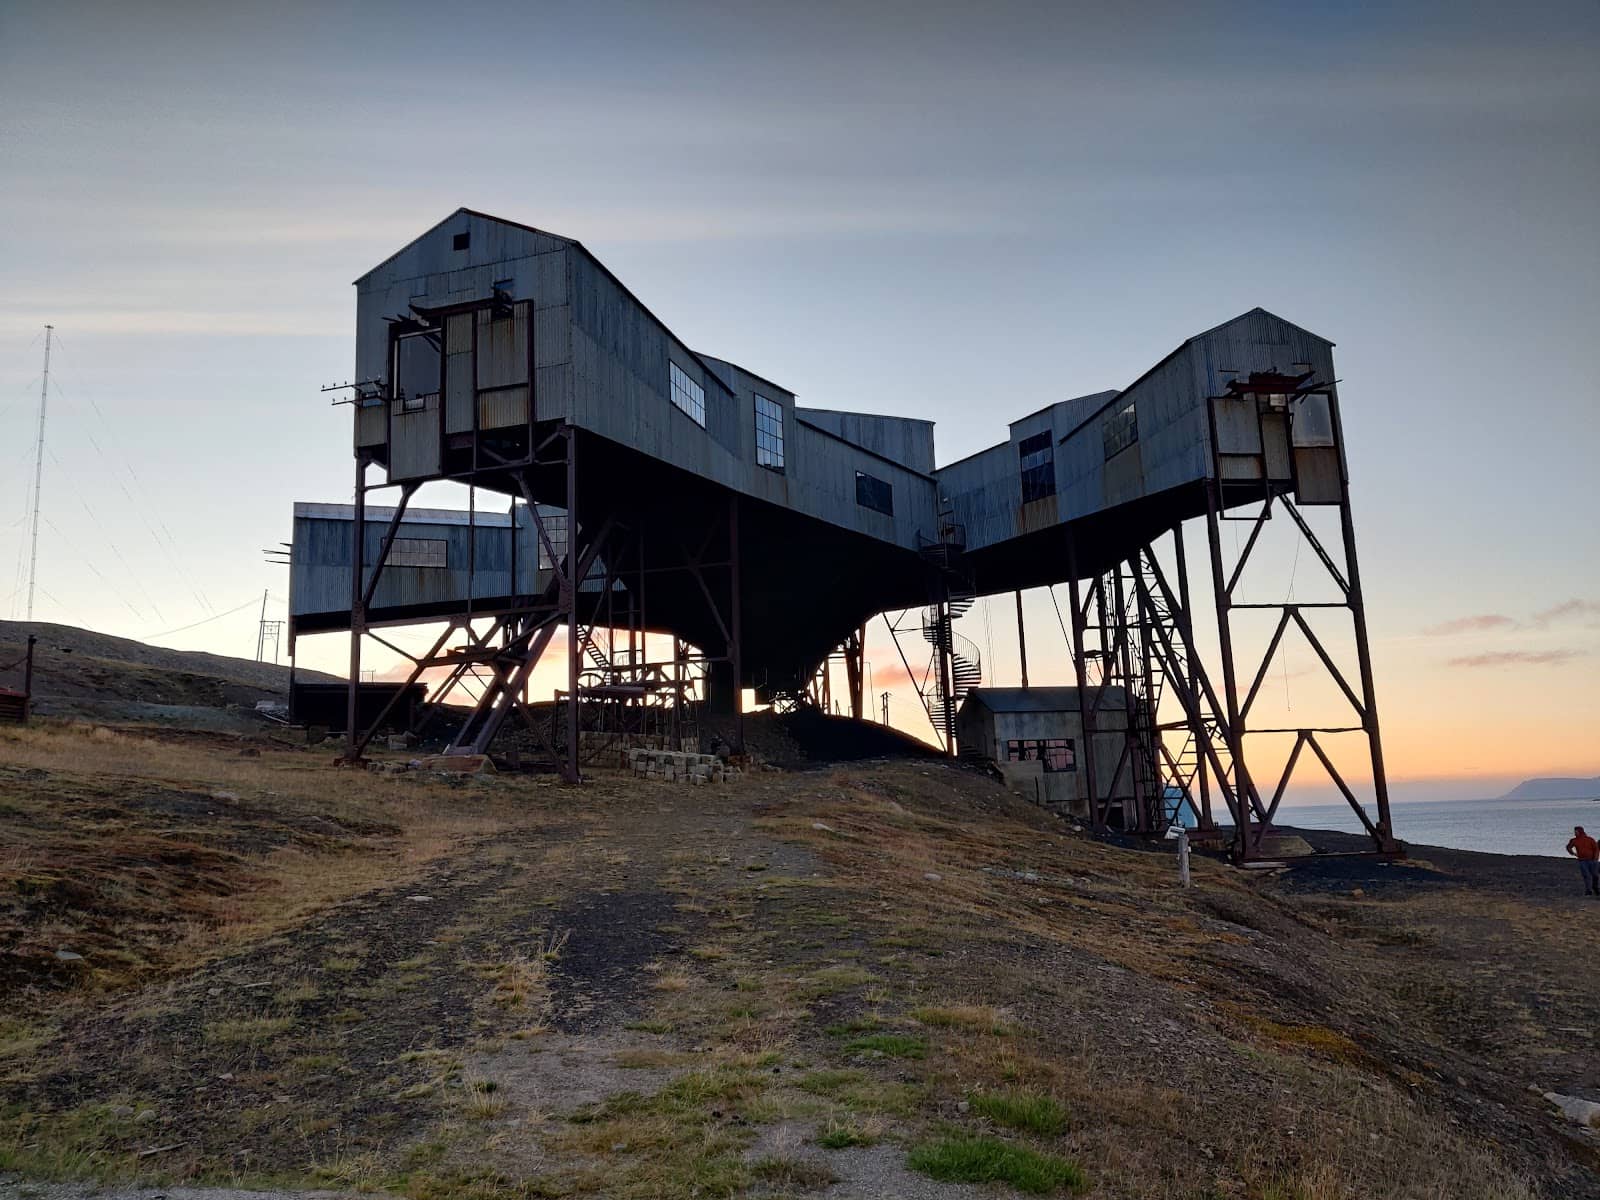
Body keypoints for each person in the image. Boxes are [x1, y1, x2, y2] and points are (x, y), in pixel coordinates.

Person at [1566, 826, 1600, 896]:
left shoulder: (1590, 839)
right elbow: (1569, 847)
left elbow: (1596, 849)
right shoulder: (1574, 840)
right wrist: (1573, 853)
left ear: (1580, 831)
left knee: (1595, 875)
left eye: (1576, 831)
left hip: (1592, 860)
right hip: (1582, 861)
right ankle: (1588, 890)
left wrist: (1595, 858)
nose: (1575, 833)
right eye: (1575, 831)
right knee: (1586, 875)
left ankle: (1595, 888)